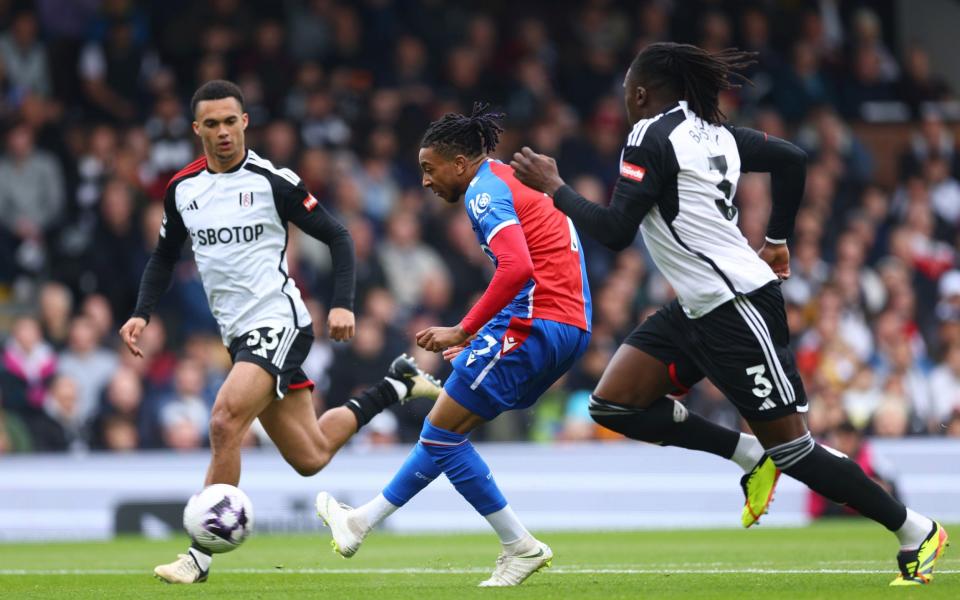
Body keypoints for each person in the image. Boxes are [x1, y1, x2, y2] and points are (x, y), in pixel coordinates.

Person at [510, 42, 947, 587]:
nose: (625, 101)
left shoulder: (648, 136)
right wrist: (778, 239)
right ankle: (747, 455)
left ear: (640, 93)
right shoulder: (715, 135)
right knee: (614, 405)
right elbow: (791, 158)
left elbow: (616, 232)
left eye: (627, 91)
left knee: (795, 451)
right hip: (700, 304)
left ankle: (916, 529)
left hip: (736, 307)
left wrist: (554, 188)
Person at [118, 80, 441, 584]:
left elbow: (338, 235)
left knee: (225, 420)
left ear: (245, 122)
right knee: (310, 456)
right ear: (196, 128)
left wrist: (342, 304)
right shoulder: (183, 189)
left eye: (232, 121)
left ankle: (198, 557)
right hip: (238, 336)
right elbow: (164, 256)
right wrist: (142, 311)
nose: (223, 131)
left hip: (280, 321)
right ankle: (396, 384)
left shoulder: (273, 180)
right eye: (213, 123)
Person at [316, 104, 592, 587]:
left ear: (460, 164)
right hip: (564, 322)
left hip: (537, 320)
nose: (424, 181)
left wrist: (464, 329)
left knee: (443, 432)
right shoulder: (507, 180)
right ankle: (359, 523)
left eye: (429, 168)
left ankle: (519, 545)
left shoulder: (484, 192)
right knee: (444, 427)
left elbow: (517, 269)